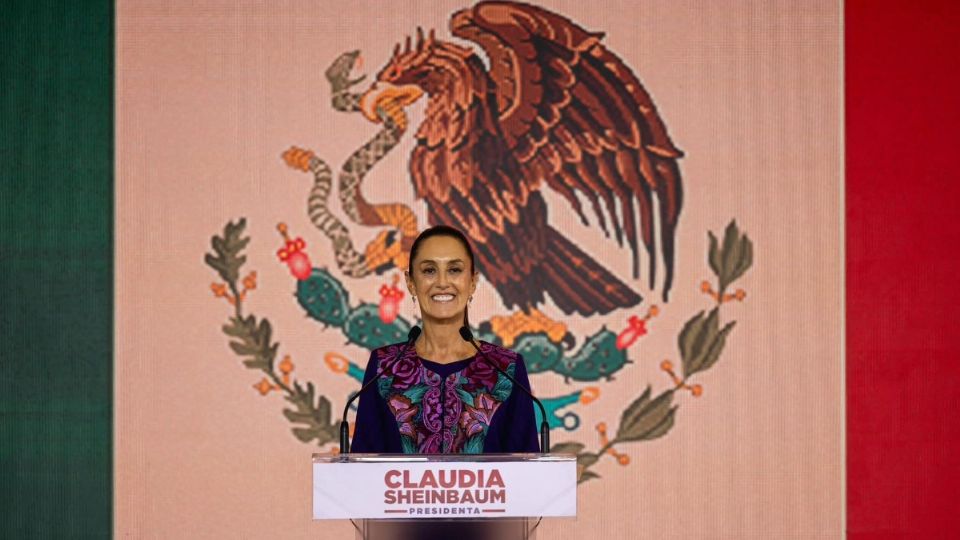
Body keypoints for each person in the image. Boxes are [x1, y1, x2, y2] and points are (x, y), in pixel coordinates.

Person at [351, 225, 540, 454]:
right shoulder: (385, 368)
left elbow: (527, 475)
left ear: (472, 282)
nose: (442, 282)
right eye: (429, 270)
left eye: (454, 270)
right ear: (411, 282)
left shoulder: (505, 369)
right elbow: (363, 472)